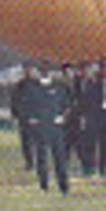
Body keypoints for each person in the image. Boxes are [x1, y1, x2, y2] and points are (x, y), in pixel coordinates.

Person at [23, 65, 70, 195]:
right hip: (41, 127)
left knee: (60, 157)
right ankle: (44, 185)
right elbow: (26, 107)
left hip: (55, 127)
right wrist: (32, 119)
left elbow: (67, 106)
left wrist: (62, 118)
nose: (45, 74)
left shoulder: (59, 88)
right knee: (42, 158)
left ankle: (63, 185)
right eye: (43, 71)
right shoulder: (32, 89)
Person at [9, 63, 40, 171]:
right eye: (25, 69)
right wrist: (15, 113)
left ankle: (38, 161)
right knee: (25, 142)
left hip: (36, 117)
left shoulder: (37, 84)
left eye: (29, 69)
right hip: (23, 118)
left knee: (37, 141)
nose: (27, 71)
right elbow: (14, 100)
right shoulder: (19, 85)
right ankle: (29, 162)